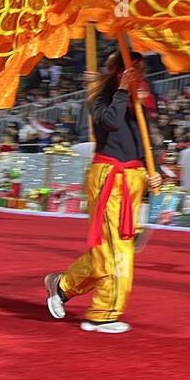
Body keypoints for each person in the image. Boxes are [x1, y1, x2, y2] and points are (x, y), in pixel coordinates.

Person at [45, 52, 163, 333]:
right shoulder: (100, 99)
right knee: (117, 250)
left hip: (133, 179)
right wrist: (121, 89)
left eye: (141, 70)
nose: (139, 75)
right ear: (119, 72)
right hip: (109, 177)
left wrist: (153, 170)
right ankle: (103, 313)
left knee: (107, 250)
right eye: (133, 70)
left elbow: (143, 142)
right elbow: (109, 122)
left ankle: (62, 286)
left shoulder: (139, 105)